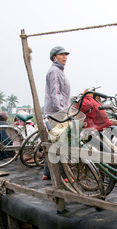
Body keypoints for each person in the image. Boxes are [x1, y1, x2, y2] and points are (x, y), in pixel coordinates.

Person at [43, 46, 71, 180]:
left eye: (66, 55)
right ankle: (64, 175)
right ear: (54, 58)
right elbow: (55, 94)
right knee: (60, 143)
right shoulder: (55, 71)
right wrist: (63, 113)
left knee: (53, 141)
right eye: (61, 55)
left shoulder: (59, 71)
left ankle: (47, 173)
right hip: (56, 113)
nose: (65, 57)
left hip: (56, 112)